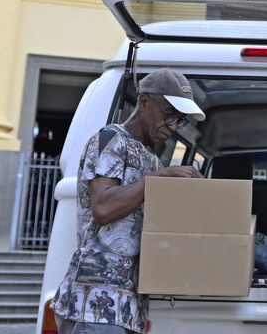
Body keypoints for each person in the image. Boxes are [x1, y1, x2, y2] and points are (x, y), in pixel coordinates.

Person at [50, 68, 205, 334]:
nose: (172, 126)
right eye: (169, 114)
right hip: (96, 304)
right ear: (144, 102)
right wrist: (159, 178)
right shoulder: (111, 139)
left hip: (127, 308)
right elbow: (103, 207)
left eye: (180, 120)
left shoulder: (151, 158)